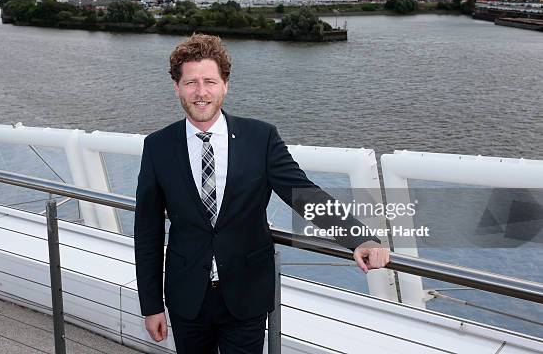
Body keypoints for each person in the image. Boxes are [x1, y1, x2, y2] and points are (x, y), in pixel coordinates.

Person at [134, 34, 390, 354]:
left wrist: (359, 238)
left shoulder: (261, 137)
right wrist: (151, 305)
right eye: (191, 83)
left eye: (210, 81)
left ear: (225, 85)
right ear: (177, 87)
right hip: (186, 298)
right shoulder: (157, 146)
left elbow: (303, 194)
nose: (201, 92)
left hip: (246, 295)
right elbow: (147, 231)